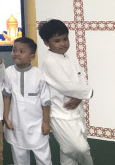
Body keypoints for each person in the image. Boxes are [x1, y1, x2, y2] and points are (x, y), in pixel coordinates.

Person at [38, 19, 94, 165]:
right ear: (46, 43)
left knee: (68, 155)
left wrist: (80, 98)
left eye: (65, 39)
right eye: (57, 41)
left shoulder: (70, 57)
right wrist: (89, 92)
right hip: (60, 114)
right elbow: (67, 86)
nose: (63, 43)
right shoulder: (49, 62)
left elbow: (82, 77)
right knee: (80, 149)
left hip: (77, 111)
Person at [3, 37, 51, 165]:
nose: (16, 53)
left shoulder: (39, 74)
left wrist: (46, 122)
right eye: (14, 50)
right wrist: (6, 117)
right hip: (16, 124)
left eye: (21, 51)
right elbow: (6, 96)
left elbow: (46, 101)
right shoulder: (8, 72)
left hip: (37, 126)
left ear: (32, 57)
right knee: (19, 159)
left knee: (44, 159)